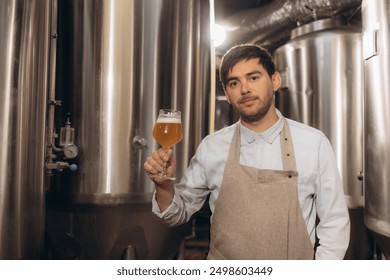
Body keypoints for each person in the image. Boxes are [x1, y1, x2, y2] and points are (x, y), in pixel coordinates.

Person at [144, 44, 350, 260]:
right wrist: (164, 186)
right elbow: (180, 213)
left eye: (253, 78)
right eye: (234, 83)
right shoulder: (212, 146)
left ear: (275, 81)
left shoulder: (313, 143)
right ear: (227, 93)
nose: (244, 89)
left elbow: (334, 223)